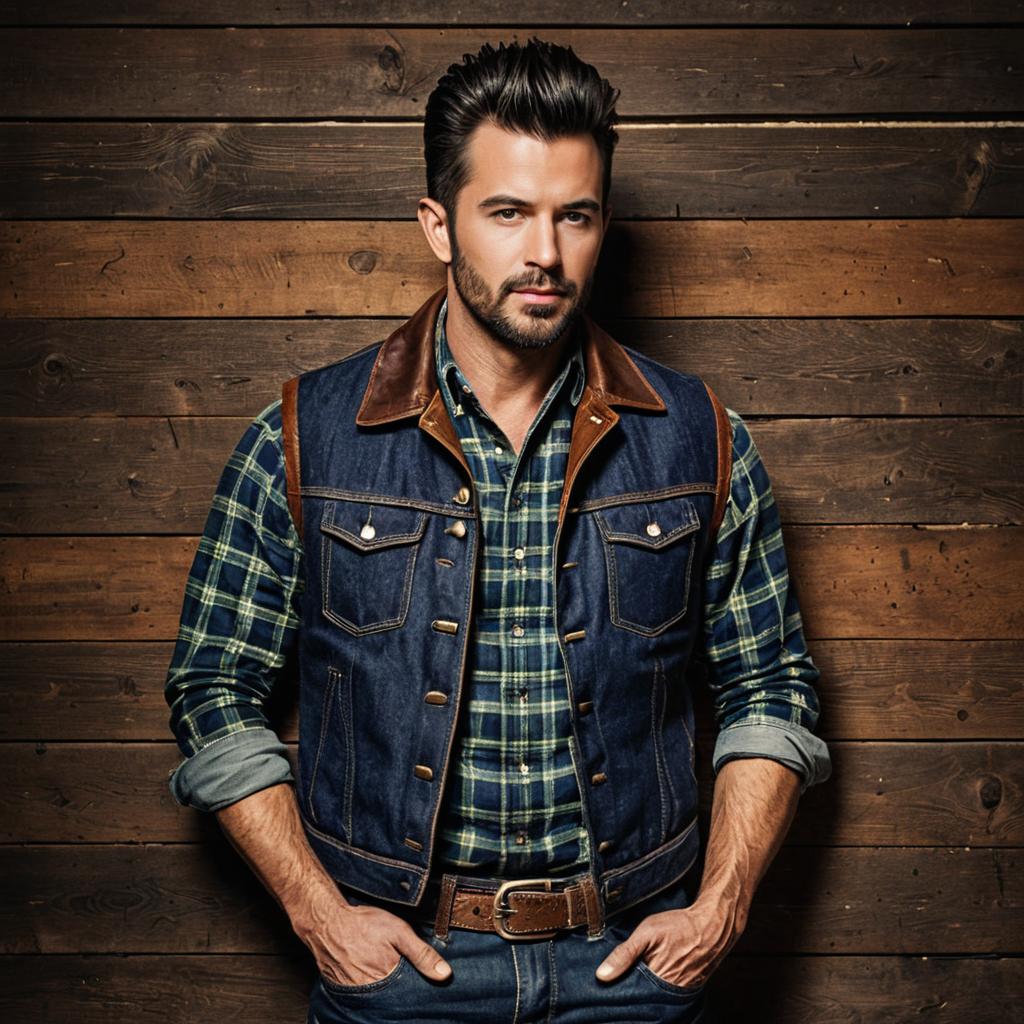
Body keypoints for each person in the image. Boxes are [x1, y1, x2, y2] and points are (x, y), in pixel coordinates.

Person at [164, 37, 831, 1024]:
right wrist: (320, 916)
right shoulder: (303, 437)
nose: (546, 254)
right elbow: (213, 685)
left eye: (576, 216)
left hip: (632, 970)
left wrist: (718, 911)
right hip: (400, 971)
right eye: (509, 212)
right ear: (439, 225)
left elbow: (770, 687)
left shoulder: (702, 439)